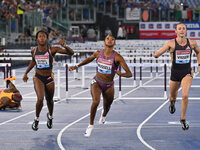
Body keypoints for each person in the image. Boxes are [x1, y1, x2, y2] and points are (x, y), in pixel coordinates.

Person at [69, 35, 132, 137]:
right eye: (108, 38)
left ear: (114, 43)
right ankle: (90, 125)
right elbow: (89, 59)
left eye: (112, 39)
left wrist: (122, 74)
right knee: (96, 101)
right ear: (104, 42)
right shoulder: (98, 53)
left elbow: (130, 74)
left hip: (109, 85)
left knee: (107, 106)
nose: (110, 40)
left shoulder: (117, 57)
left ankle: (104, 114)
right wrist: (76, 66)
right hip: (97, 82)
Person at [23, 30, 74, 131]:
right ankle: (36, 119)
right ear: (37, 39)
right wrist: (26, 73)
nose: (42, 38)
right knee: (40, 99)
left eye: (44, 36)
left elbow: (71, 53)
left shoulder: (53, 49)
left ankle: (50, 116)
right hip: (38, 77)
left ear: (47, 38)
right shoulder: (34, 51)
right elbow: (33, 62)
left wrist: (65, 46)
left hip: (49, 78)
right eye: (40, 36)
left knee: (49, 100)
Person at [154, 22, 200, 130]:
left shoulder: (192, 43)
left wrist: (199, 64)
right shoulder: (170, 43)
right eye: (180, 28)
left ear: (186, 31)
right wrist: (156, 55)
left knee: (185, 96)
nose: (182, 30)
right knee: (172, 97)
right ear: (176, 31)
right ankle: (172, 103)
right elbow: (158, 53)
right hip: (175, 73)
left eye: (184, 28)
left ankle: (183, 119)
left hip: (187, 72)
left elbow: (198, 52)